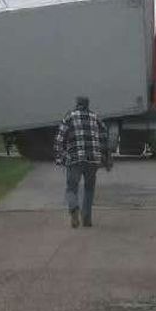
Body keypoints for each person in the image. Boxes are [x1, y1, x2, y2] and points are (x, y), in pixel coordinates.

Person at [54, 96, 112, 228]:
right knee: (89, 189)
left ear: (77, 104)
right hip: (93, 160)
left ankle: (74, 208)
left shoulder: (69, 117)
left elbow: (59, 139)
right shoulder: (95, 117)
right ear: (87, 105)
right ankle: (86, 218)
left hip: (75, 159)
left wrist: (60, 158)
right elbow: (104, 136)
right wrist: (106, 157)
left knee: (71, 188)